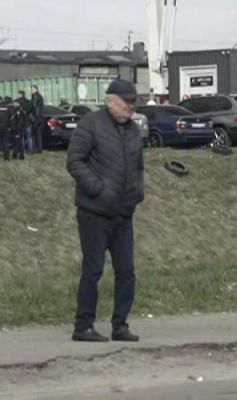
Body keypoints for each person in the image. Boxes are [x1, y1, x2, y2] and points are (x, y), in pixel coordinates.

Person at [66, 78, 145, 343]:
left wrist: (138, 193)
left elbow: (138, 166)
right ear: (110, 100)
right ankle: (83, 326)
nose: (130, 107)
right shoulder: (91, 124)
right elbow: (74, 161)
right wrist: (97, 189)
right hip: (94, 212)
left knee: (127, 271)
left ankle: (120, 325)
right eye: (126, 102)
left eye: (133, 103)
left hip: (124, 213)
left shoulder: (133, 130)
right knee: (93, 270)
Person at [30, 85, 46, 154]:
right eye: (31, 89)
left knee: (32, 134)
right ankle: (40, 149)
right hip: (40, 118)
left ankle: (33, 149)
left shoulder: (35, 96)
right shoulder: (40, 96)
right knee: (38, 134)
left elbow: (34, 107)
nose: (31, 90)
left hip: (36, 118)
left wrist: (32, 116)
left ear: (36, 89)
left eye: (33, 89)